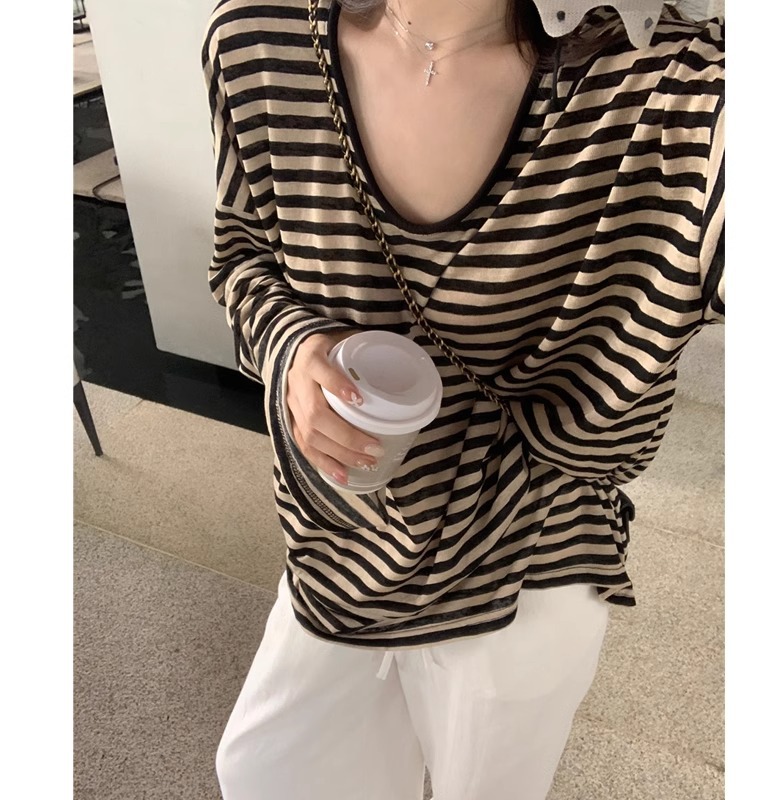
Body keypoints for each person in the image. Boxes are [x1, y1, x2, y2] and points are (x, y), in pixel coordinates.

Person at [201, 0, 724, 797]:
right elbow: (242, 257)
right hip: (336, 538)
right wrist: (293, 349)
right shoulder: (255, 36)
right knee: (263, 772)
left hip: (528, 555)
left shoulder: (672, 83)